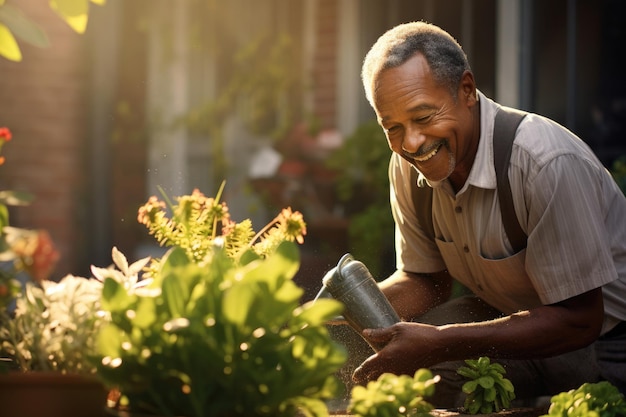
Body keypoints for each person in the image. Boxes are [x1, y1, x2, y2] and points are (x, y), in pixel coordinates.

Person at [351, 21, 626, 406]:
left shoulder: (543, 162)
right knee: (398, 371)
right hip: (511, 318)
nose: (411, 142)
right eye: (392, 127)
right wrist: (332, 317)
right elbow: (426, 281)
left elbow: (579, 319)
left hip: (604, 340)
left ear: (466, 91)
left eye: (424, 117)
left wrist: (442, 342)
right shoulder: (408, 165)